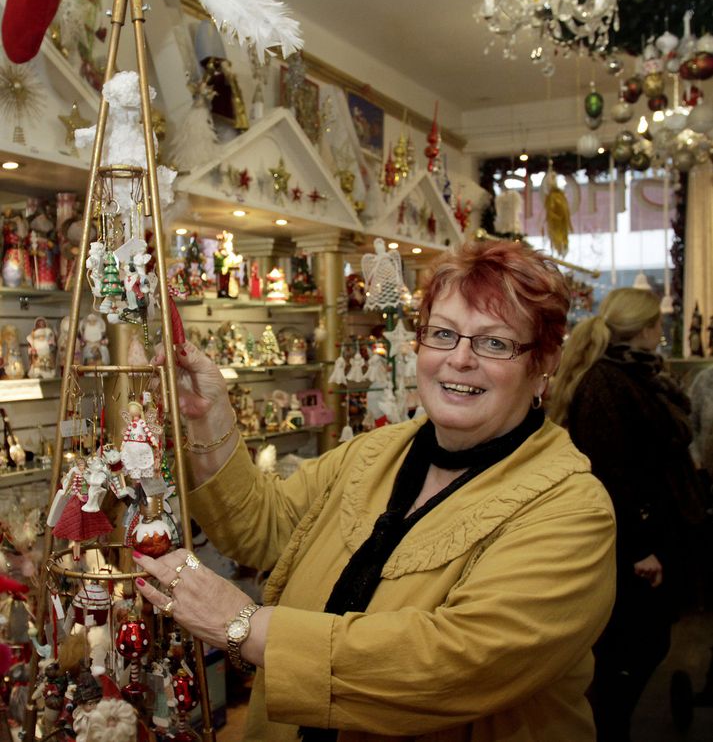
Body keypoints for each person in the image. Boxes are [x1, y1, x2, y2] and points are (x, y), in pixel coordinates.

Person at [134, 240, 616, 742]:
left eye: (494, 343)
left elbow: (455, 665)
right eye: (443, 334)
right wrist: (209, 411)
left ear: (544, 362)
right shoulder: (376, 452)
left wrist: (244, 626)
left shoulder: (571, 509)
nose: (461, 360)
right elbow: (264, 527)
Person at [547, 287, 708, 742]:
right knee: (632, 651)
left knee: (644, 644)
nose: (662, 330)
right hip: (632, 542)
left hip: (651, 531)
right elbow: (610, 473)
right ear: (646, 329)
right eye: (658, 323)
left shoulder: (635, 375)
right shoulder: (608, 382)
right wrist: (641, 548)